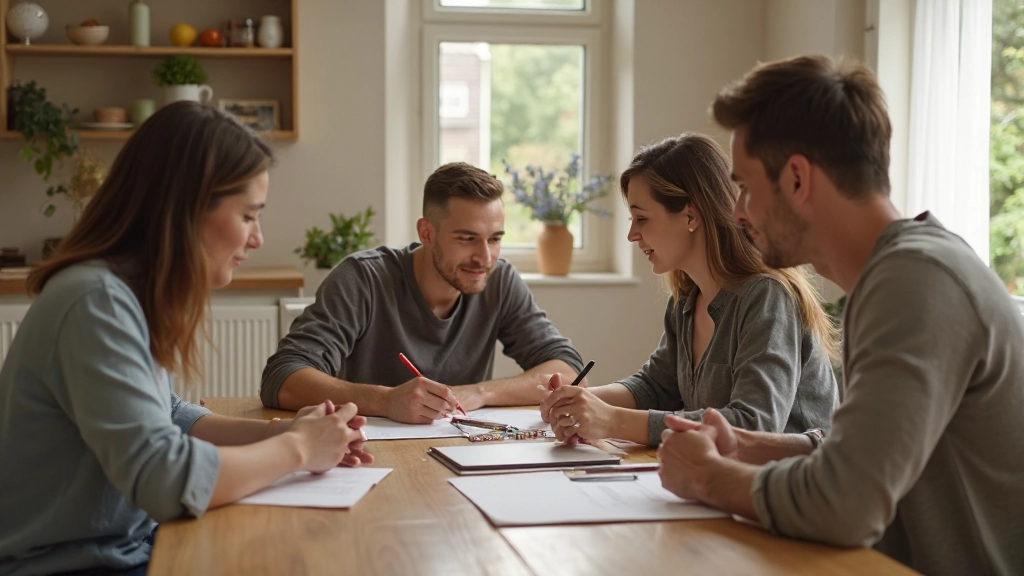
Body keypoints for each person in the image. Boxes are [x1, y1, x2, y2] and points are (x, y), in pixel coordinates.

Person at [657, 55, 1024, 576]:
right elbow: (859, 454)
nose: (737, 211)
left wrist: (707, 478)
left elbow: (844, 503)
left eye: (745, 186)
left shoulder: (915, 282)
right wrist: (744, 446)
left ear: (799, 179)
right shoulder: (903, 271)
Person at [0, 102, 373, 575]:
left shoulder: (123, 291)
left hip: (126, 549)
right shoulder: (96, 301)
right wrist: (297, 451)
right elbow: (165, 480)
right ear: (187, 209)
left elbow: (167, 412)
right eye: (248, 215)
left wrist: (284, 433)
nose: (257, 239)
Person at [539, 133, 839, 447]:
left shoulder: (766, 297)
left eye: (641, 218)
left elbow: (755, 423)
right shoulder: (687, 297)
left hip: (793, 486)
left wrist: (610, 420)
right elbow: (656, 387)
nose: (631, 235)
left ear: (691, 215)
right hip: (728, 479)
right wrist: (579, 400)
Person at [261, 162, 585, 424]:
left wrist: (480, 393)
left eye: (495, 239)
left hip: (459, 455)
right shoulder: (364, 278)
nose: (484, 258)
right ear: (426, 232)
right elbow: (283, 377)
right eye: (466, 238)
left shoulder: (499, 281)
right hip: (369, 456)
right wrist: (386, 401)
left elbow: (568, 370)